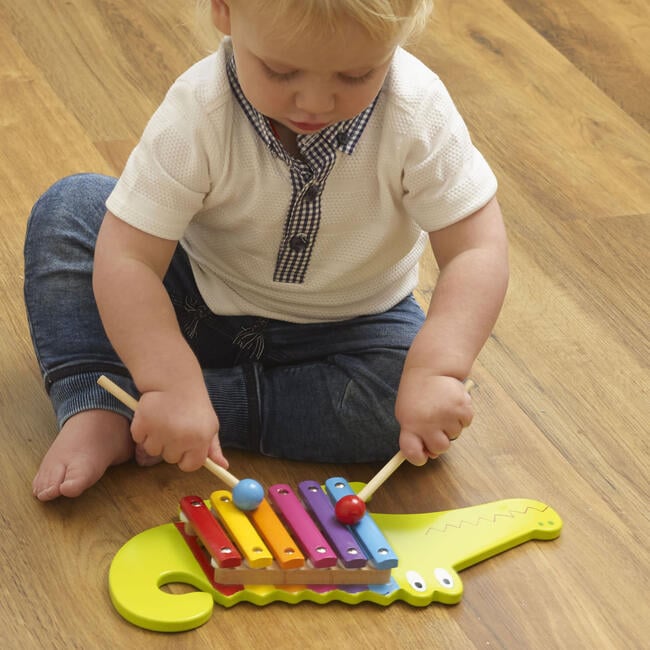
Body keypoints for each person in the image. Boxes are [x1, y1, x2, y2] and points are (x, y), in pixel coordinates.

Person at [24, 0, 509, 501]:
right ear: (224, 11)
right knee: (71, 209)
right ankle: (96, 402)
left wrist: (436, 371)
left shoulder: (418, 110)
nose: (316, 103)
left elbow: (476, 247)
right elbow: (131, 259)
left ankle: (151, 406)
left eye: (357, 74)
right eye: (281, 71)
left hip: (352, 329)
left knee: (393, 404)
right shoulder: (200, 109)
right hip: (198, 303)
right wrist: (167, 379)